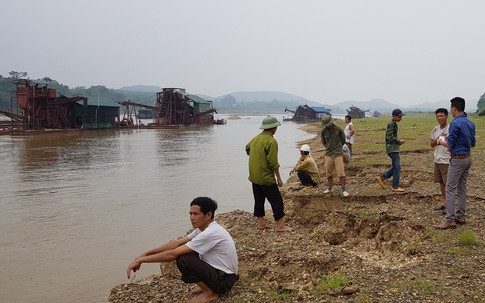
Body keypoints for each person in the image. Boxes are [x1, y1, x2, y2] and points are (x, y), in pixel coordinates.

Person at [126, 197, 238, 303]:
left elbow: (172, 255)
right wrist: (145, 253)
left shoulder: (211, 232)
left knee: (183, 258)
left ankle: (210, 293)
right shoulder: (203, 229)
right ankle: (207, 285)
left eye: (196, 214)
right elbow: (176, 243)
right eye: (190, 214)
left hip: (225, 281)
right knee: (189, 249)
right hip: (223, 274)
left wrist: (142, 260)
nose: (192, 217)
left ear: (208, 215)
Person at [434, 97, 476, 230]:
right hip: (467, 158)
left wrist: (440, 141)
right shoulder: (470, 123)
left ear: (454, 108)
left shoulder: (455, 124)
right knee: (462, 187)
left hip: (457, 159)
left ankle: (450, 219)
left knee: (450, 188)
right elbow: (472, 143)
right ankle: (461, 216)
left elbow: (450, 145)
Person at [245, 116, 292, 232]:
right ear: (273, 128)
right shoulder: (271, 141)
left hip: (254, 176)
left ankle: (261, 223)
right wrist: (279, 179)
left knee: (259, 199)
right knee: (276, 200)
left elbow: (247, 148)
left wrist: (257, 155)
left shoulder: (256, 138)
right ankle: (280, 226)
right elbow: (273, 163)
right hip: (265, 177)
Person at [376, 109, 406, 192]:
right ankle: (395, 186)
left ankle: (381, 178)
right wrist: (399, 141)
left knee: (396, 167)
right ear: (395, 116)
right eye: (400, 116)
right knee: (397, 167)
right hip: (392, 148)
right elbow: (390, 137)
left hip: (393, 148)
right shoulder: (391, 124)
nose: (401, 118)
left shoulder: (394, 124)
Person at [320, 115, 349, 197]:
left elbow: (343, 141)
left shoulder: (339, 130)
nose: (327, 126)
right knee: (328, 172)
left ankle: (343, 189)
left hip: (338, 154)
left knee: (341, 172)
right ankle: (330, 188)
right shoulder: (323, 131)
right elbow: (324, 142)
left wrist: (338, 148)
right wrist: (329, 148)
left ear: (331, 122)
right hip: (329, 153)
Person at [429, 108, 450, 212]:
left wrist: (443, 139)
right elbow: (432, 144)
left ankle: (450, 206)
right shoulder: (435, 129)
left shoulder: (451, 129)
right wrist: (438, 139)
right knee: (441, 183)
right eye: (437, 116)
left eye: (441, 116)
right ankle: (445, 203)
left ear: (446, 116)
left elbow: (451, 144)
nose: (439, 118)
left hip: (446, 160)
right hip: (437, 159)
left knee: (448, 184)